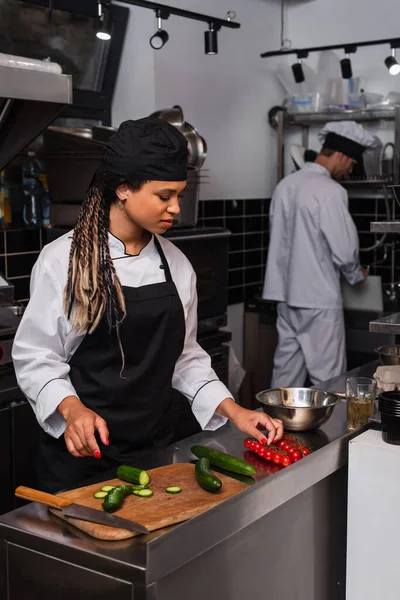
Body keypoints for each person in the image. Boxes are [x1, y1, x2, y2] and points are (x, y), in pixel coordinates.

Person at [13, 117, 283, 493]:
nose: (174, 208)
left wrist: (233, 410)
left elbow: (185, 359)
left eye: (179, 196)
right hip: (82, 457)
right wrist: (72, 410)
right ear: (123, 188)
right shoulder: (65, 261)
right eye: (164, 196)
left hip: (155, 453)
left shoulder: (176, 264)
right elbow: (36, 357)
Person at [263, 121, 374, 388]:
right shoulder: (331, 191)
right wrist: (356, 274)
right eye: (351, 164)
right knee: (330, 380)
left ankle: (276, 427)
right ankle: (336, 428)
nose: (349, 170)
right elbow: (345, 251)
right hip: (319, 302)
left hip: (286, 298)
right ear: (342, 155)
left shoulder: (285, 185)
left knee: (285, 379)